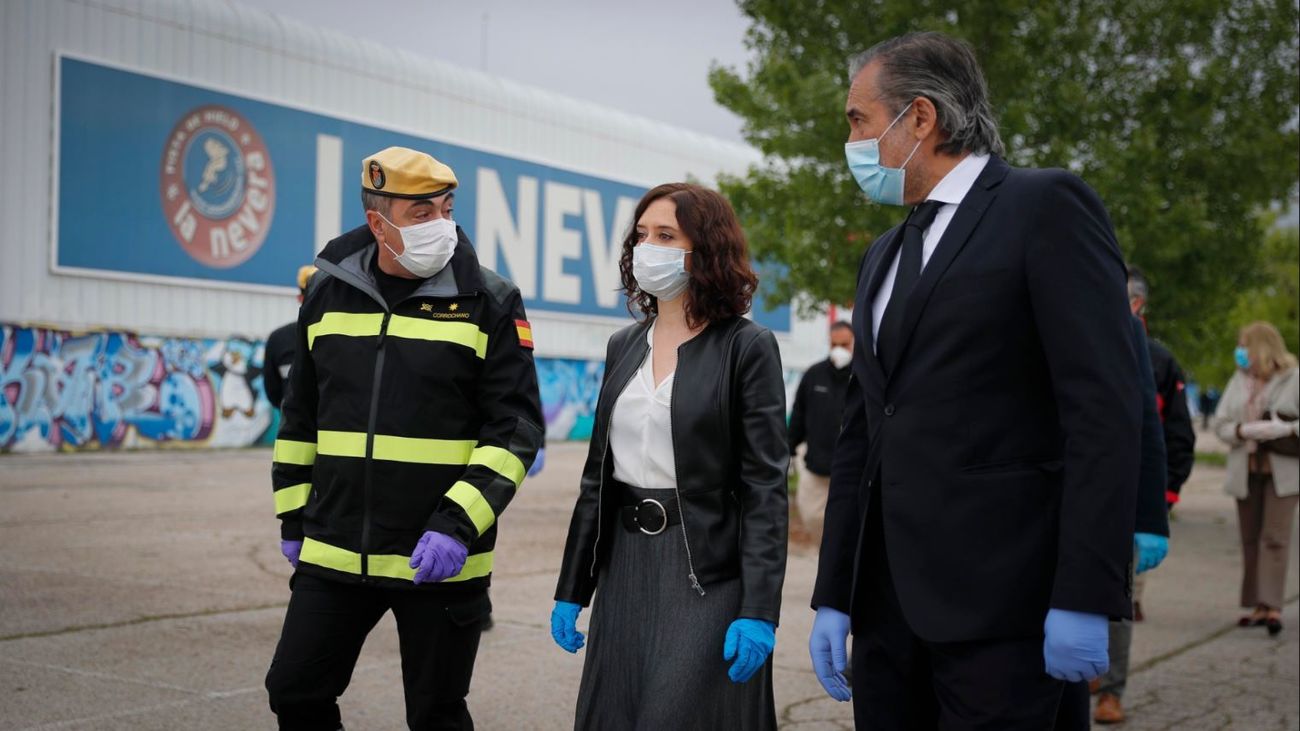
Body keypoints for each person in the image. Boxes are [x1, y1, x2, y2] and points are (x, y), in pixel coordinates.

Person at [810, 32, 1140, 728]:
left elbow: (1103, 409)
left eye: (858, 119)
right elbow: (863, 433)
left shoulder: (1043, 206)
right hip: (887, 615)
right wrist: (834, 591)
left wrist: (1086, 591)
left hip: (1005, 611)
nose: (852, 140)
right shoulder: (883, 255)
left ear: (920, 118)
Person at [264, 146, 544, 730]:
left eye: (445, 209)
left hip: (438, 559)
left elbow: (514, 429)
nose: (441, 225)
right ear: (377, 222)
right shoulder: (325, 294)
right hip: (335, 550)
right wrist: (294, 519)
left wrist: (456, 525)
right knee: (294, 692)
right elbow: (300, 421)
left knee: (436, 714)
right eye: (421, 214)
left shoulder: (488, 301)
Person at [551, 183, 789, 730]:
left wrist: (759, 609)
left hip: (704, 568)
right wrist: (572, 587)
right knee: (615, 715)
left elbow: (765, 488)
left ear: (704, 250)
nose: (645, 248)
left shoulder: (746, 347)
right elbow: (597, 477)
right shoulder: (624, 344)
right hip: (625, 564)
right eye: (640, 236)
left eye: (665, 235)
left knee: (677, 714)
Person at [1060, 316, 1171, 728]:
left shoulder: (1123, 326)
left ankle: (1111, 690)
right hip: (1046, 500)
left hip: (1111, 500)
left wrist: (1151, 517)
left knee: (1114, 603)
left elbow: (1145, 420)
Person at [1211, 321, 1299, 637]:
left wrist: (1287, 429)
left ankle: (1272, 604)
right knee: (1250, 538)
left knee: (1275, 537)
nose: (1240, 350)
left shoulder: (1293, 377)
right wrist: (1240, 431)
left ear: (1261, 345)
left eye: (1244, 343)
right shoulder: (1239, 380)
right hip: (1246, 468)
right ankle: (1256, 604)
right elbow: (1220, 423)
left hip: (1283, 471)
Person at [1127, 266, 1195, 514]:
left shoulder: (1160, 362)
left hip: (1140, 497)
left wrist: (1165, 494)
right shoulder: (1079, 350)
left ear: (1137, 303)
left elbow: (1179, 434)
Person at [788, 321, 854, 543]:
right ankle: (822, 554)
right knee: (814, 519)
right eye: (835, 343)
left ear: (854, 342)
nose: (839, 349)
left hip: (850, 470)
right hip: (815, 465)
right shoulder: (814, 375)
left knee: (846, 526)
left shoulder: (863, 377)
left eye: (844, 344)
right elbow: (798, 415)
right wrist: (786, 450)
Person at [263, 265, 317, 408]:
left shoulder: (340, 337)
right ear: (300, 298)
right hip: (293, 428)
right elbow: (273, 392)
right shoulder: (278, 340)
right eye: (311, 294)